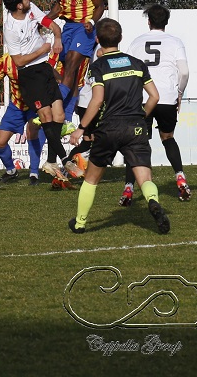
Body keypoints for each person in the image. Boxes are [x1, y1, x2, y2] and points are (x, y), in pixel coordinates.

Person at [67, 18, 170, 235]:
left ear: (97, 39)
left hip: (109, 128)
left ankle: (80, 223)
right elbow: (154, 96)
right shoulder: (137, 64)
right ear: (121, 38)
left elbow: (97, 100)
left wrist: (81, 128)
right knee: (145, 178)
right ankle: (152, 200)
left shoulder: (98, 67)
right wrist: (141, 116)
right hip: (135, 127)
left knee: (91, 179)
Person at [1, 0, 71, 182]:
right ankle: (65, 159)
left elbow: (52, 25)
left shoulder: (31, 8)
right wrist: (43, 50)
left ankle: (51, 161)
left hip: (44, 69)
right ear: (18, 5)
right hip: (29, 74)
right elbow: (18, 61)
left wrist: (57, 38)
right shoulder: (10, 29)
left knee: (59, 115)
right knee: (46, 116)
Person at [123, 3, 192, 202]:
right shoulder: (175, 42)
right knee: (168, 137)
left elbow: (128, 71)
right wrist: (179, 93)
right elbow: (184, 72)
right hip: (167, 97)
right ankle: (180, 178)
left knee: (136, 144)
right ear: (166, 22)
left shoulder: (136, 42)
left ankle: (128, 188)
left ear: (149, 21)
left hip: (142, 98)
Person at [48, 0, 105, 121]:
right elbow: (60, 6)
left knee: (72, 64)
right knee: (68, 69)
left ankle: (57, 110)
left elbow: (100, 6)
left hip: (84, 27)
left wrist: (92, 22)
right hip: (68, 26)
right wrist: (44, 20)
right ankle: (67, 117)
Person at [0, 51, 44, 185]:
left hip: (35, 104)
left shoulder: (35, 56)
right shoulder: (5, 60)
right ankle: (11, 171)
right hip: (16, 106)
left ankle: (34, 173)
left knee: (32, 132)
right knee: (0, 142)